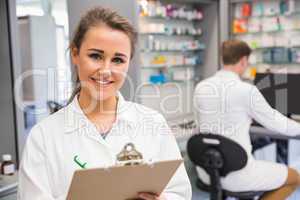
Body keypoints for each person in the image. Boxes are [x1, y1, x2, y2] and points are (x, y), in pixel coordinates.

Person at [18, 7, 192, 200]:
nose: (105, 70)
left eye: (118, 60)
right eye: (95, 56)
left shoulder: (153, 122)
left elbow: (180, 192)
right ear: (75, 54)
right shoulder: (43, 137)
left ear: (128, 64)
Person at [193, 39, 300, 200]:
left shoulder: (201, 87)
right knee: (294, 178)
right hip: (238, 174)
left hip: (207, 172)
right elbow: (277, 123)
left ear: (223, 58)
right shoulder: (246, 91)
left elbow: (199, 124)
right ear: (243, 60)